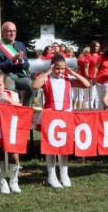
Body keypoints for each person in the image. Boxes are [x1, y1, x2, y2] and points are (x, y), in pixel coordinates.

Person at [32, 54, 90, 188]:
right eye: (57, 69)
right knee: (50, 147)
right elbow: (34, 86)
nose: (60, 71)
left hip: (65, 115)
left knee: (64, 147)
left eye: (63, 69)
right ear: (52, 67)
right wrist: (47, 72)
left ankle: (64, 174)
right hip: (50, 115)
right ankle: (51, 175)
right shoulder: (47, 79)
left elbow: (86, 84)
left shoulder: (67, 78)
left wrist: (72, 72)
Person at [0, 22, 33, 106]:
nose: (12, 33)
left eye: (14, 31)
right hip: (5, 76)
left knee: (33, 86)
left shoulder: (20, 45)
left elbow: (27, 65)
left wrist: (21, 61)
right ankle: (11, 112)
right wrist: (11, 61)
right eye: (9, 31)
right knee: (10, 88)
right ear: (2, 32)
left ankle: (25, 109)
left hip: (19, 76)